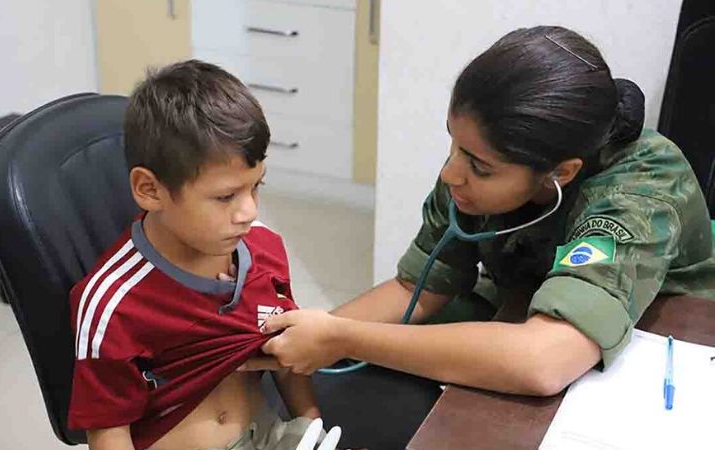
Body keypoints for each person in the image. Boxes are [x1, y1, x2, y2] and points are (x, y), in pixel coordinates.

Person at [241, 25, 715, 449]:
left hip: (659, 348)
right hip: (521, 310)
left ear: (561, 173)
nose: (451, 173)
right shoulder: (477, 164)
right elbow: (417, 286)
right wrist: (291, 341)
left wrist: (344, 337)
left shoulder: (639, 189)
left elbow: (544, 360)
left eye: (480, 167)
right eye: (453, 143)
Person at [68, 60, 326, 450]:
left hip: (269, 435)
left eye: (256, 186)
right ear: (150, 190)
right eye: (225, 196)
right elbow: (109, 431)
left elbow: (286, 352)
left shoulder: (264, 251)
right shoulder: (112, 303)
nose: (249, 212)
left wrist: (311, 425)